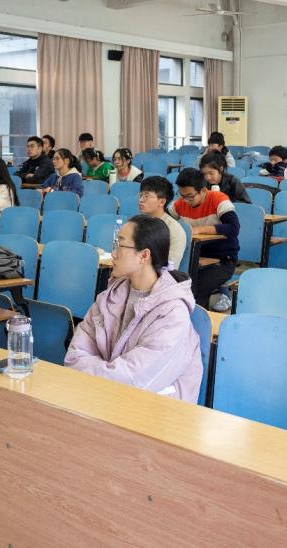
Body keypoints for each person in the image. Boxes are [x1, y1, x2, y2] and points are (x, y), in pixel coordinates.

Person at [64, 215, 202, 402]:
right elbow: (74, 357)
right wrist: (109, 373)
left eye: (120, 245)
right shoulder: (109, 297)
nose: (113, 253)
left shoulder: (173, 313)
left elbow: (133, 380)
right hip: (106, 399)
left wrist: (95, 369)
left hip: (155, 410)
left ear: (144, 255)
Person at [169, 168, 240, 309]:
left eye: (190, 196)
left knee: (196, 287)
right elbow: (166, 223)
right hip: (193, 258)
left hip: (222, 260)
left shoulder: (218, 199)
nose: (186, 200)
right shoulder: (180, 203)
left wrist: (199, 229)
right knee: (173, 282)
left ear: (202, 190)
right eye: (182, 195)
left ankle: (198, 319)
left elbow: (233, 227)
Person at [138, 176, 186, 270]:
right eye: (140, 195)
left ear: (162, 202)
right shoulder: (137, 223)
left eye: (147, 196)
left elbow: (170, 267)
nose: (141, 200)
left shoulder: (174, 230)